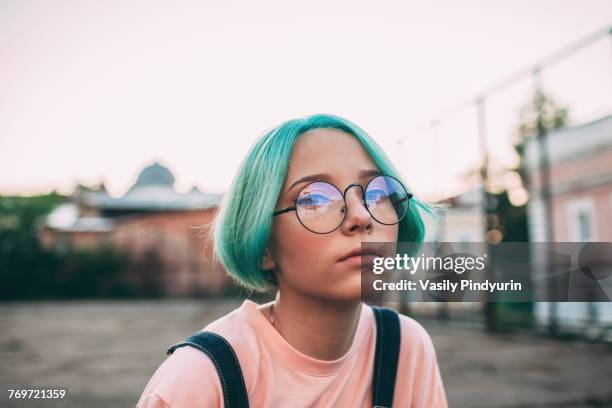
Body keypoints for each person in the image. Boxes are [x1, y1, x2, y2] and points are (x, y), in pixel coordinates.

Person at [136, 114, 448, 407]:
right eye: (315, 199)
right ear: (264, 245)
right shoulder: (200, 379)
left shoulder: (405, 348)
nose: (361, 216)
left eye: (378, 193)